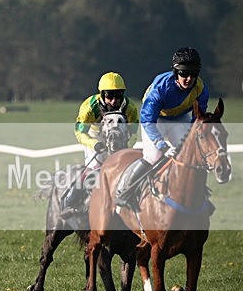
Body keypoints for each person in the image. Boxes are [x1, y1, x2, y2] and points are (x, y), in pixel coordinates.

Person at [114, 47, 209, 210]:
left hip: (178, 118)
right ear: (175, 73)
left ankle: (200, 195)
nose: (189, 78)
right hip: (155, 119)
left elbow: (197, 120)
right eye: (184, 73)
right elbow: (147, 120)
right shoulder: (161, 87)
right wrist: (162, 145)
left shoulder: (200, 89)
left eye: (193, 74)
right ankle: (124, 191)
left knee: (191, 155)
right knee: (153, 157)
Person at [61, 72, 139, 218]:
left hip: (119, 137)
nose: (114, 101)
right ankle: (70, 202)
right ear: (102, 94)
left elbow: (134, 132)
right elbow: (79, 132)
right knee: (95, 168)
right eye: (109, 96)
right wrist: (94, 144)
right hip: (94, 135)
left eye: (118, 96)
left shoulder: (130, 107)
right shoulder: (90, 107)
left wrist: (127, 144)